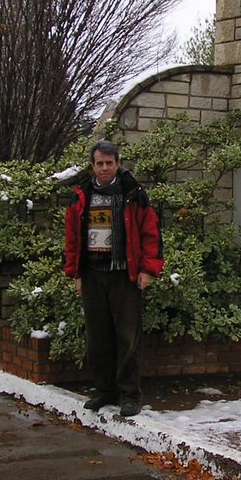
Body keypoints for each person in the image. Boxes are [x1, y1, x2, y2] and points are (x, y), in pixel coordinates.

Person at [63, 140, 163, 417]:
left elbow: (151, 234)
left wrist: (147, 270)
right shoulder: (81, 194)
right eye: (99, 163)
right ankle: (105, 391)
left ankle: (130, 395)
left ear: (117, 164)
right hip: (93, 275)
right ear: (92, 166)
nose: (104, 168)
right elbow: (72, 237)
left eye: (109, 163)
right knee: (98, 338)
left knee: (127, 337)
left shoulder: (134, 194)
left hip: (125, 275)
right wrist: (76, 272)